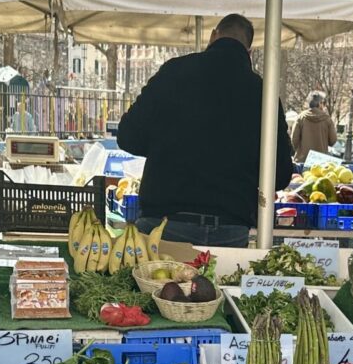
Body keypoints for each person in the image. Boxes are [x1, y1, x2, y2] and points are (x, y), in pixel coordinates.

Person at [117, 13, 293, 248]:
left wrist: (167, 143)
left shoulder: (173, 72)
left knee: (157, 285)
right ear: (249, 52)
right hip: (230, 231)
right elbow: (280, 174)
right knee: (221, 286)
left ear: (213, 36)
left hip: (164, 226)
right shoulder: (262, 92)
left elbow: (128, 137)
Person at [290, 91, 337, 162]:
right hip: (321, 162)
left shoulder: (301, 117)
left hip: (303, 160)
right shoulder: (327, 119)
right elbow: (333, 141)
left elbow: (294, 140)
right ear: (320, 104)